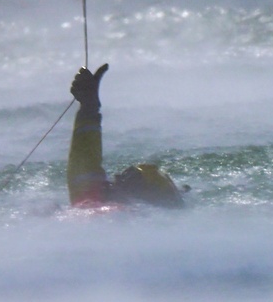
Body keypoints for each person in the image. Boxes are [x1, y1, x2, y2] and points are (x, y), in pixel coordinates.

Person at [67, 64, 185, 208]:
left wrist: (88, 109)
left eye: (127, 180)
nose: (116, 178)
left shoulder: (111, 213)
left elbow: (84, 180)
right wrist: (88, 109)